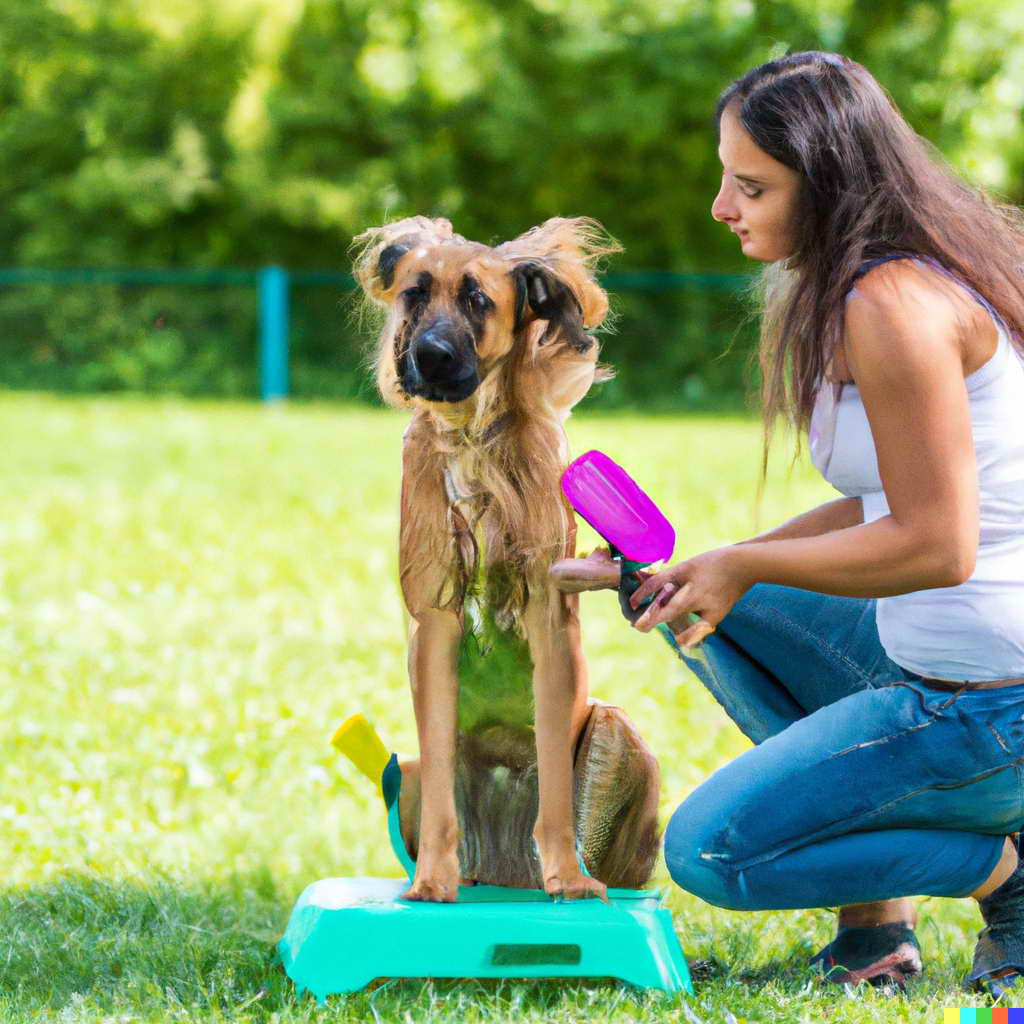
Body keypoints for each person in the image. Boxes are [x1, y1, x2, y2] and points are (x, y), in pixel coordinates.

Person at [555, 51, 1024, 994]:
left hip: (990, 702)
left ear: (832, 184)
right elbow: (884, 496)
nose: (723, 208)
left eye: (752, 186)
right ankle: (874, 935)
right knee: (701, 605)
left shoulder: (894, 305)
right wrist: (719, 567)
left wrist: (742, 564)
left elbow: (938, 541)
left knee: (713, 855)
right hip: (948, 664)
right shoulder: (873, 286)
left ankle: (1004, 877)